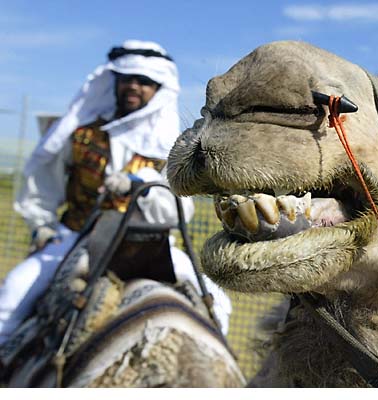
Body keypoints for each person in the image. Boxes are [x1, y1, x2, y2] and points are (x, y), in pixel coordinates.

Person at [0, 40, 231, 345]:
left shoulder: (172, 145)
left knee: (217, 304)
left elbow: (180, 212)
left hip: (151, 244)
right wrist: (41, 225)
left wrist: (142, 181)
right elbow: (43, 184)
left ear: (159, 88)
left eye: (145, 82)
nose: (134, 87)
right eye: (128, 79)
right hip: (76, 236)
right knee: (12, 295)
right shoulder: (80, 134)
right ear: (115, 82)